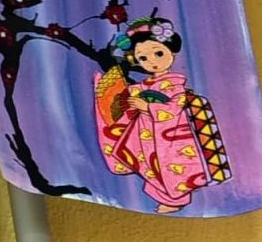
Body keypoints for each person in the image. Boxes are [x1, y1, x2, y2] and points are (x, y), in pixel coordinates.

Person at [94, 17, 231, 213]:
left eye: (158, 53)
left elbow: (174, 107)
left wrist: (148, 107)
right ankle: (164, 198)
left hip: (169, 135)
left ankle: (175, 200)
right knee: (150, 166)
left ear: (171, 52)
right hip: (147, 134)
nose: (151, 61)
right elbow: (135, 93)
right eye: (143, 58)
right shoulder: (146, 84)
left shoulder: (175, 84)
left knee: (169, 167)